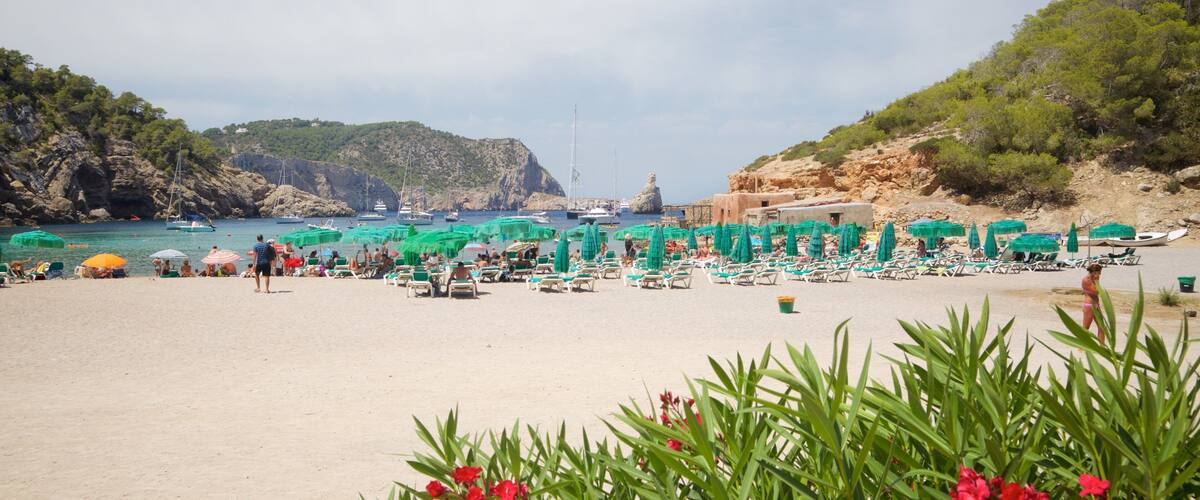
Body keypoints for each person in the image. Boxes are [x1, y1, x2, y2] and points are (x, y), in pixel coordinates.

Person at [1081, 264, 1103, 342]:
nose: (1099, 274)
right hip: (1089, 305)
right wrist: (1097, 281)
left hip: (1096, 304)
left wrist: (1096, 280)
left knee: (1102, 327)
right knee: (1086, 328)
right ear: (1094, 272)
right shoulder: (1086, 280)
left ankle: (1102, 347)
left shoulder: (1094, 279)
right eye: (1099, 272)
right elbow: (1096, 292)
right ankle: (1082, 346)